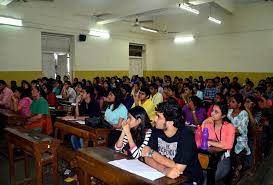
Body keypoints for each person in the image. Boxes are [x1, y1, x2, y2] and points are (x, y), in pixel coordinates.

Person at [142, 98, 203, 184]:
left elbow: (178, 169)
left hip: (187, 178)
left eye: (158, 116)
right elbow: (146, 157)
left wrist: (152, 153)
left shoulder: (186, 136)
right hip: (163, 174)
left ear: (170, 122)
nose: (155, 119)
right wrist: (165, 170)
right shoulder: (156, 130)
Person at [202, 102, 235, 185]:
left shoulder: (229, 127)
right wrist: (205, 122)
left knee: (208, 181)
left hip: (223, 160)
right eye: (212, 110)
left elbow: (228, 145)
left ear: (223, 116)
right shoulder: (209, 124)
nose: (212, 113)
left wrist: (209, 142)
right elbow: (202, 138)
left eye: (216, 112)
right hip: (208, 157)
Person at [227, 94, 250, 185]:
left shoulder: (243, 114)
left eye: (233, 102)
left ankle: (237, 173)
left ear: (239, 104)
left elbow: (241, 130)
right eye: (230, 101)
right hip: (229, 138)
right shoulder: (228, 112)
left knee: (238, 160)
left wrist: (229, 130)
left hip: (240, 140)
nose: (230, 103)